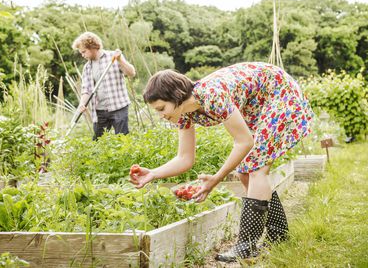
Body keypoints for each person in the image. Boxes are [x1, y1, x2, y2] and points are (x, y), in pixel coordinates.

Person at [129, 62, 314, 263]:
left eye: (161, 108)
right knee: (245, 172)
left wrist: (216, 179)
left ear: (176, 96)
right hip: (258, 104)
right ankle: (278, 235)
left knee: (255, 168)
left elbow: (244, 142)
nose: (161, 115)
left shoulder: (212, 95)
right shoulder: (183, 114)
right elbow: (185, 159)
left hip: (279, 93)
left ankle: (246, 246)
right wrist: (153, 174)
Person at [72, 32, 136, 140]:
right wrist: (83, 103)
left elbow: (131, 73)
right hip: (100, 111)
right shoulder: (87, 67)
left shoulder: (114, 57)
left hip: (118, 107)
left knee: (123, 140)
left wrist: (120, 60)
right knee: (98, 142)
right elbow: (86, 90)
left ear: (92, 47)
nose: (82, 55)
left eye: (84, 52)